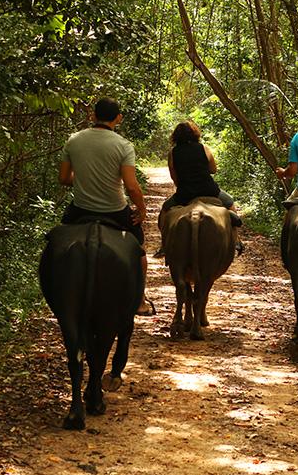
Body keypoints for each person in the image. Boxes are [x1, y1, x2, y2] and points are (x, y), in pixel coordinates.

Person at [58, 97, 154, 316]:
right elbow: (131, 186)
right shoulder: (123, 145)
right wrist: (141, 210)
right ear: (118, 118)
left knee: (58, 240)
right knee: (139, 251)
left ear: (93, 115)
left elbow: (64, 178)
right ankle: (140, 299)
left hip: (80, 209)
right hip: (115, 211)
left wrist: (85, 179)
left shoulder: (73, 140)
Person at [156, 120, 242, 256]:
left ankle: (164, 245)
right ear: (195, 134)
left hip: (185, 193)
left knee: (165, 212)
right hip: (210, 191)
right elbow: (213, 170)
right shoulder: (204, 148)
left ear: (176, 136)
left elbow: (175, 178)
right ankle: (236, 240)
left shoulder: (173, 153)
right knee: (230, 204)